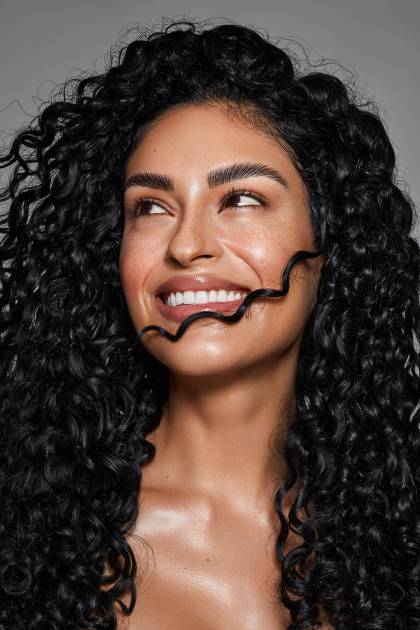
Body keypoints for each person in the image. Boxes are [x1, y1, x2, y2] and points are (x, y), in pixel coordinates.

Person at [0, 17, 418, 630]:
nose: (187, 245)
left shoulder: (399, 534)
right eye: (151, 207)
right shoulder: (25, 531)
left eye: (242, 199)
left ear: (332, 243)